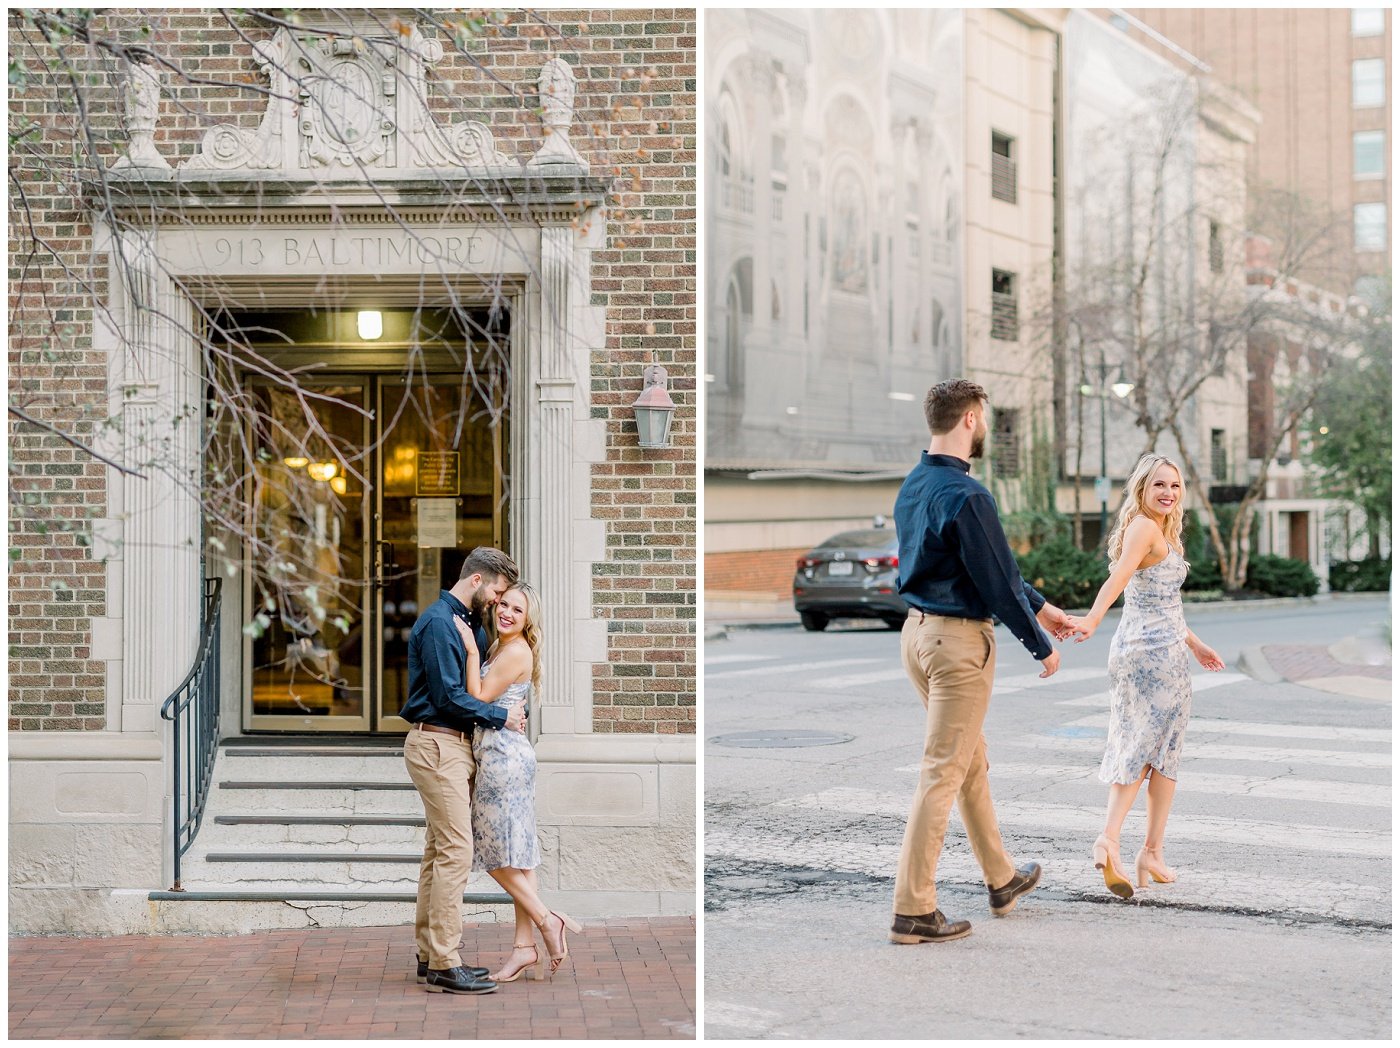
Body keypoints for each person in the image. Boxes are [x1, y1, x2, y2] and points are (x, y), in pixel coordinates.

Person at [889, 379, 1075, 945]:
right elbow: (995, 581)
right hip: (958, 646)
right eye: (985, 418)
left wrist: (1042, 610)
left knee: (969, 762)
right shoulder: (970, 495)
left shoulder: (916, 484)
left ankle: (1001, 878)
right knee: (943, 771)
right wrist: (1040, 646)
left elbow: (990, 568)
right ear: (970, 420)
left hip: (918, 637)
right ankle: (913, 910)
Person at [1067, 454, 1224, 899]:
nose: (1168, 493)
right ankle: (1114, 840)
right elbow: (1118, 579)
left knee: (1152, 747)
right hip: (1154, 656)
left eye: (1174, 486)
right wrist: (1093, 619)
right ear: (1142, 488)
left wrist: (1195, 643)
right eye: (1159, 485)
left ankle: (1147, 850)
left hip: (1159, 649)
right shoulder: (1144, 527)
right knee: (1152, 748)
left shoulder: (1157, 530)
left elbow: (1161, 602)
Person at [401, 546, 526, 995]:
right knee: (456, 849)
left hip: (450, 744)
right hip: (436, 742)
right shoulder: (439, 622)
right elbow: (450, 696)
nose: (498, 601)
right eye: (497, 590)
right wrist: (502, 717)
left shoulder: (465, 621)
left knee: (439, 850)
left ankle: (430, 955)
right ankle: (444, 962)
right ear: (477, 580)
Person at [453, 581, 581, 981]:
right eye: (503, 604)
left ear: (528, 621)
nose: (506, 612)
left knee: (490, 852)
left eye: (516, 610)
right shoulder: (502, 647)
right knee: (520, 856)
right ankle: (524, 948)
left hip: (504, 759)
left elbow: (477, 694)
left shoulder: (513, 651)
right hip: (504, 754)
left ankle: (547, 920)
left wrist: (471, 651)